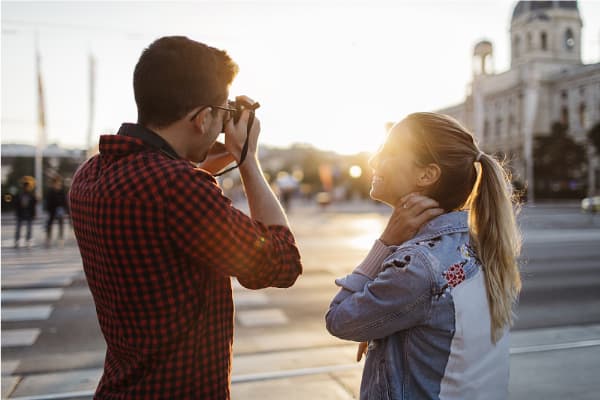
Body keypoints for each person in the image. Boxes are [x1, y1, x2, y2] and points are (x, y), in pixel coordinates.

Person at [69, 36, 302, 399]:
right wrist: (248, 160)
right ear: (202, 117)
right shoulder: (178, 188)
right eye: (222, 115)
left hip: (120, 387)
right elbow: (282, 263)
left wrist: (221, 150)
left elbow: (163, 185)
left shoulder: (91, 174)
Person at [326, 112, 522, 399]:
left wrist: (385, 243)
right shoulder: (479, 245)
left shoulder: (419, 266)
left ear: (427, 174)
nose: (372, 160)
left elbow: (339, 318)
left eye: (388, 151)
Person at [45, 176, 68, 247]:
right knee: (49, 224)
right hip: (52, 210)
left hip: (60, 210)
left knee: (61, 224)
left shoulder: (62, 191)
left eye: (59, 183)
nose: (58, 184)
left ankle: (61, 238)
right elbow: (48, 201)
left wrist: (65, 209)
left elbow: (65, 201)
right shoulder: (51, 191)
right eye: (56, 183)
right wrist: (48, 209)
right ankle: (48, 239)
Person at [14, 176, 37, 248]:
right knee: (18, 228)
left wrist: (34, 213)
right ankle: (17, 240)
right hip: (21, 213)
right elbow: (16, 204)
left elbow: (33, 205)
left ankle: (28, 240)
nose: (26, 187)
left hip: (29, 213)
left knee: (29, 228)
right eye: (25, 186)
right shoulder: (20, 195)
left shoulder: (31, 195)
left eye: (27, 186)